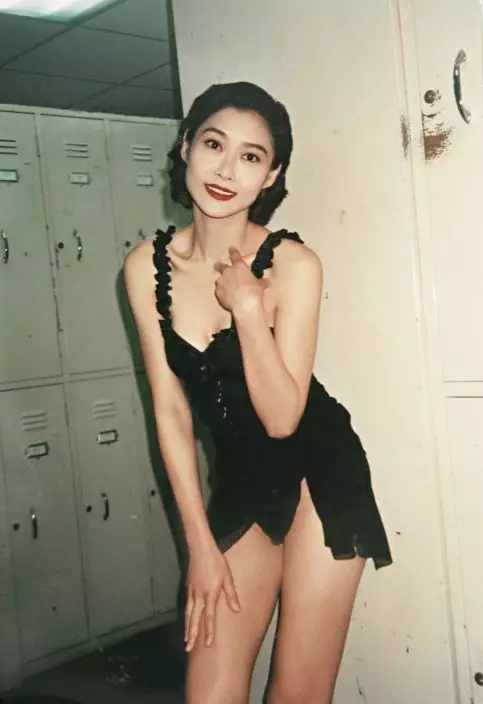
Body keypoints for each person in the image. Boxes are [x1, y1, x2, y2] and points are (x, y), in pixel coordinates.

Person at [124, 81, 392, 704]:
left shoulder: (295, 265)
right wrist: (199, 548)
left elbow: (281, 418)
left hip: (320, 473)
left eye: (251, 156)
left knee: (297, 693)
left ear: (270, 177)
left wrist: (248, 309)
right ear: (185, 147)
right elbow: (169, 409)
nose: (226, 170)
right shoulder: (145, 267)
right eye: (213, 144)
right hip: (243, 481)